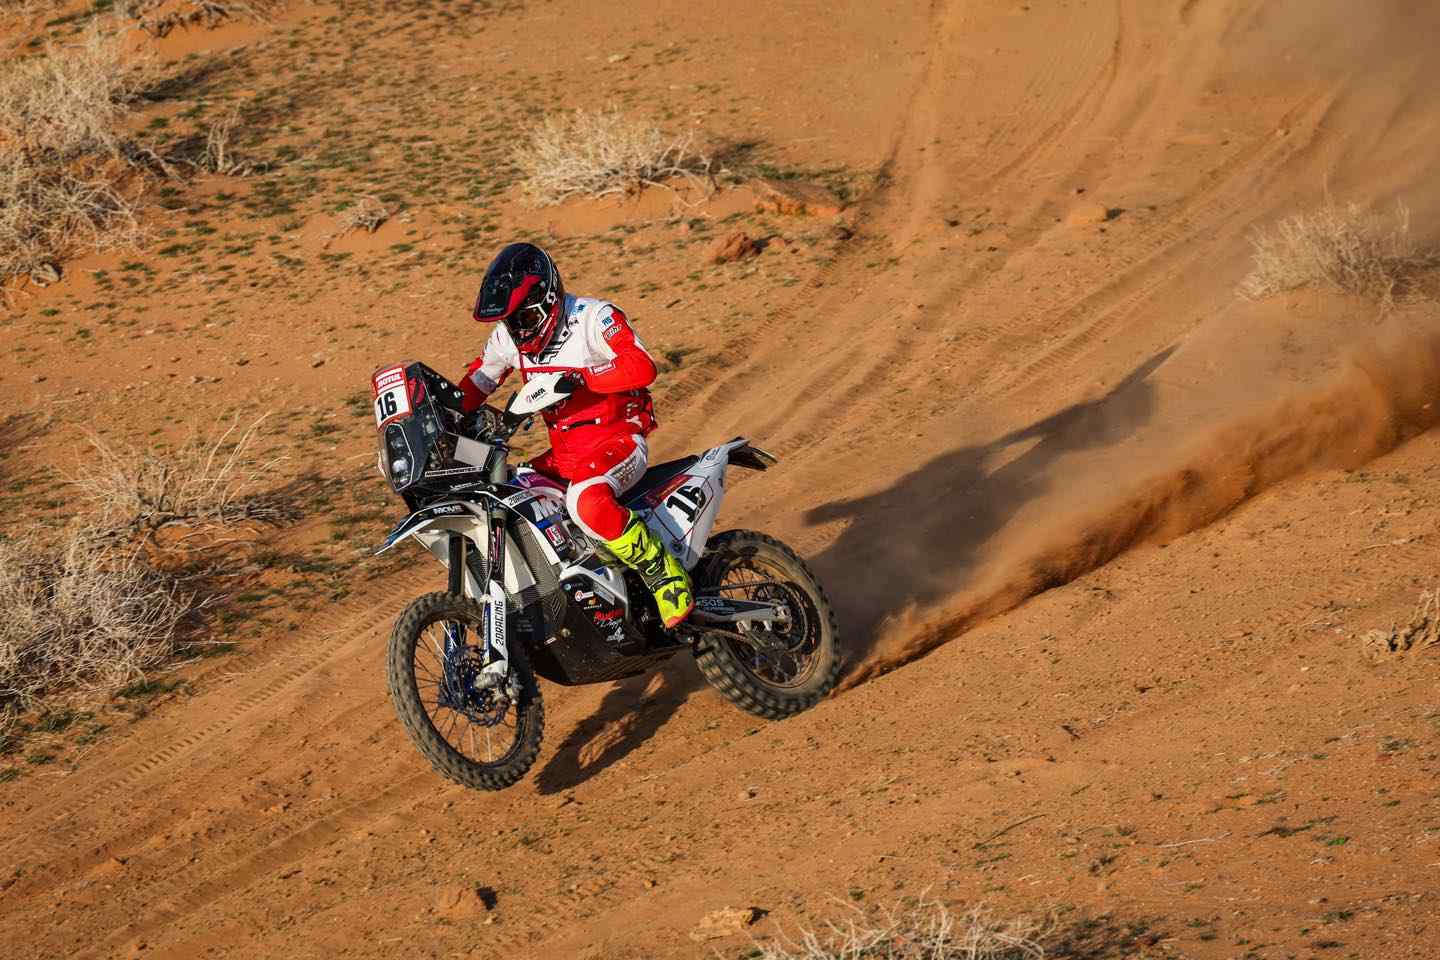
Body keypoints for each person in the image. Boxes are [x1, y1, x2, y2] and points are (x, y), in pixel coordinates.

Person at [458, 242, 695, 630]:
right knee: (509, 494)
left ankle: (663, 571)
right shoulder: (508, 337)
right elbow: (477, 383)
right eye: (511, 322)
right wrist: (436, 414)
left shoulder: (593, 317)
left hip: (619, 440)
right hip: (566, 455)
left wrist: (582, 378)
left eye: (526, 317)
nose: (520, 330)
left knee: (585, 500)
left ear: (549, 298)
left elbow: (642, 366)